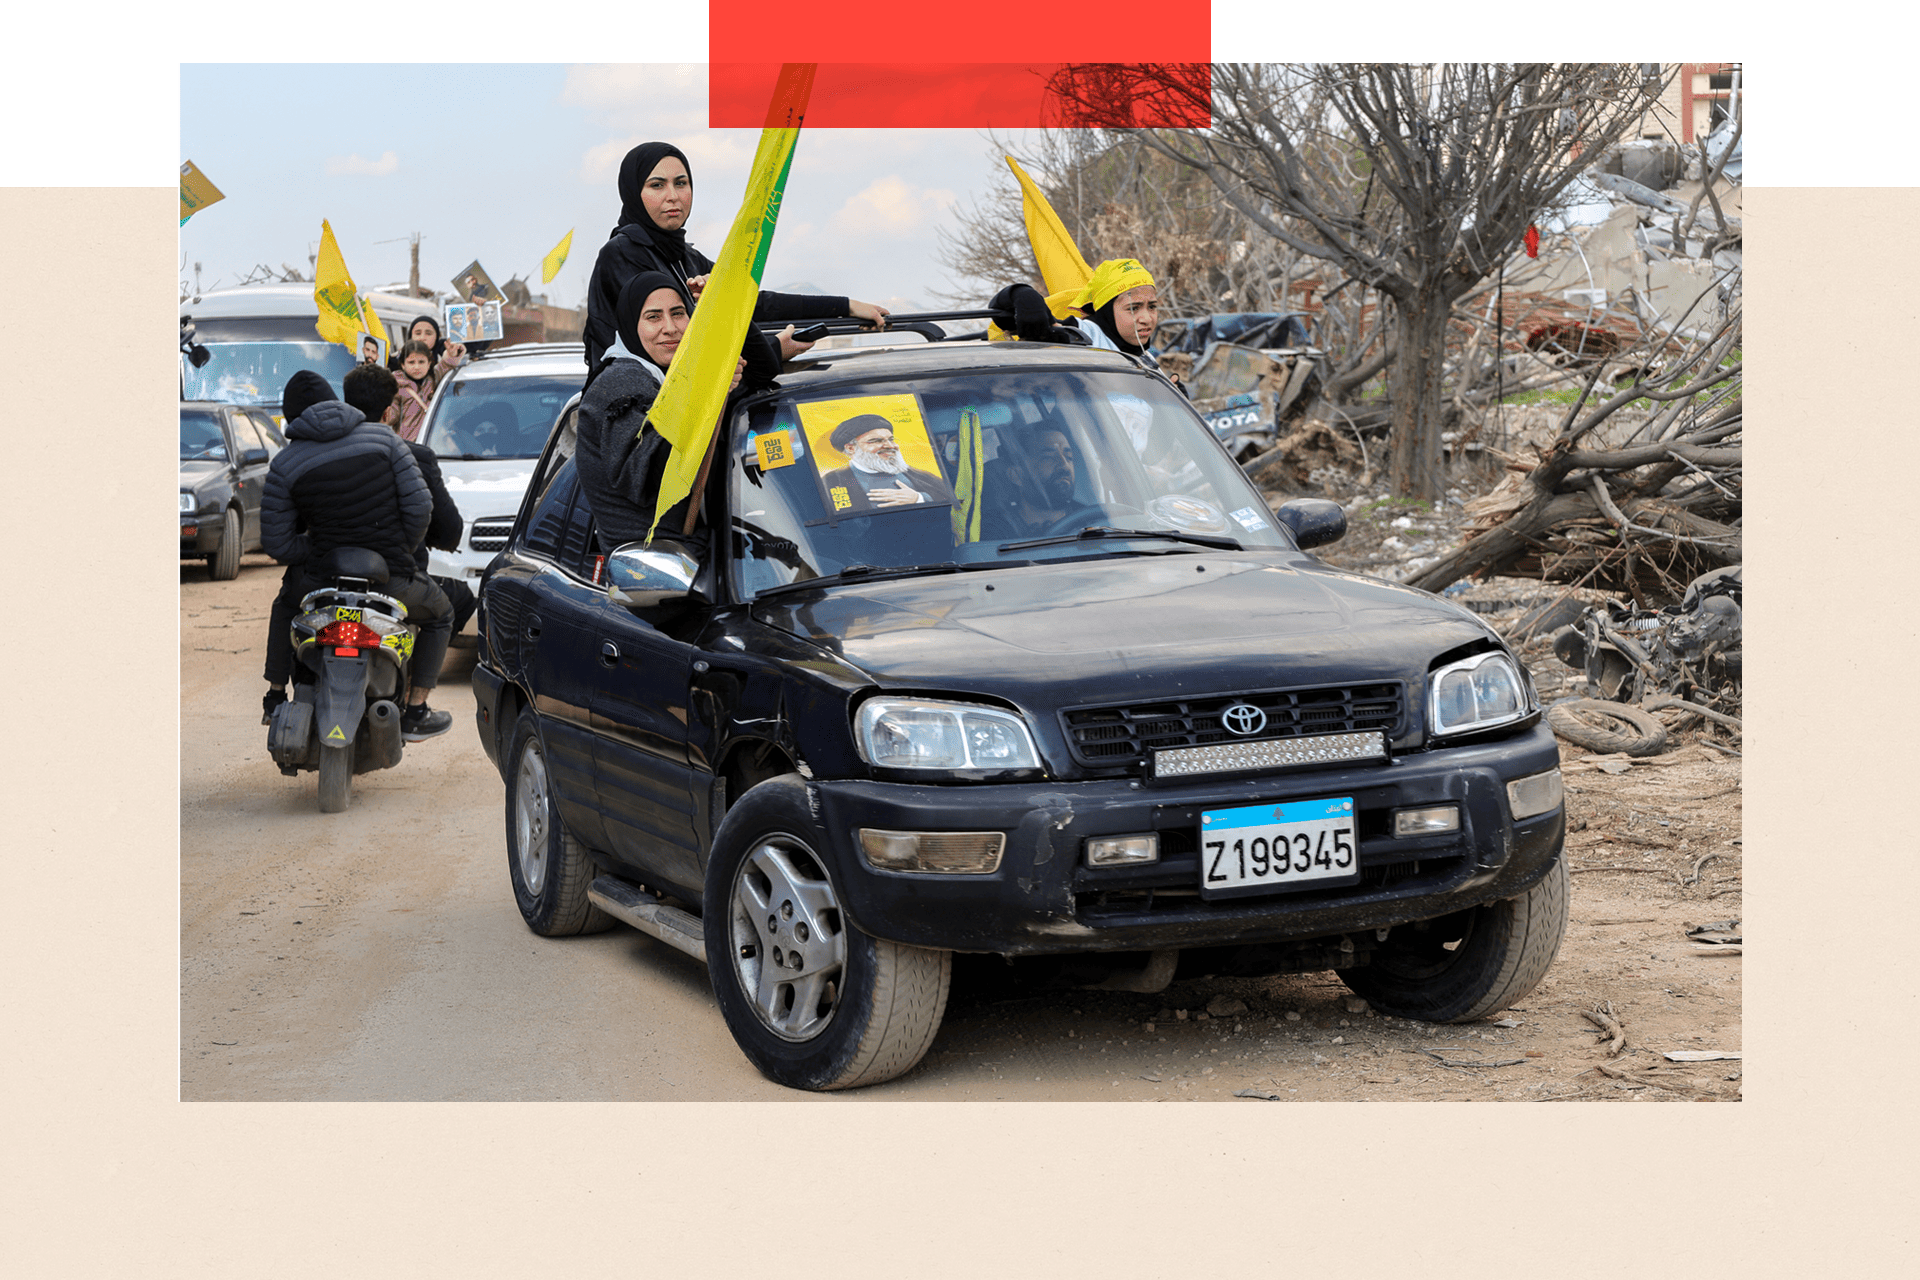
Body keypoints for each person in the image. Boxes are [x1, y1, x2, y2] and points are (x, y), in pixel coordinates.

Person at [257, 369, 455, 741]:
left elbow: (278, 544)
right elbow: (420, 509)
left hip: (319, 579)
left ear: (290, 416)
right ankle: (415, 710)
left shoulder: (285, 463)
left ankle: (273, 697)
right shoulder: (385, 440)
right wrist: (401, 548)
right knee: (441, 613)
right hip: (391, 576)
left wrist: (317, 548)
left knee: (284, 606)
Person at [582, 141, 893, 368]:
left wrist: (847, 306)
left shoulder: (686, 257)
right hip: (639, 421)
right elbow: (668, 348)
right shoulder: (622, 255)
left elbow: (751, 301)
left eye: (681, 183)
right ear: (633, 192)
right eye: (657, 185)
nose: (673, 196)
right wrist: (771, 348)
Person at [575, 271, 778, 552]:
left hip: (708, 551)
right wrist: (703, 393)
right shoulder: (620, 383)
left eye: (678, 313)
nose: (670, 328)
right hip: (656, 567)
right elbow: (652, 474)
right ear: (630, 323)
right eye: (653, 317)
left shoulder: (674, 377)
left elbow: (764, 372)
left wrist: (722, 307)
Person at [342, 363, 478, 637]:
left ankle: (276, 680)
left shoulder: (322, 453)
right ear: (389, 412)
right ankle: (420, 680)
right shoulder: (416, 457)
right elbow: (445, 528)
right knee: (450, 606)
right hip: (397, 578)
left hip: (329, 574)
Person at [817, 414, 954, 513]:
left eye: (891, 439)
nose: (890, 446)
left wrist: (918, 498)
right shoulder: (833, 481)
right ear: (851, 448)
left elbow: (954, 503)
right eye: (877, 441)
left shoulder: (921, 476)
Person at [981, 425, 1078, 539]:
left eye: (1069, 457)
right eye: (1048, 458)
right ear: (1016, 475)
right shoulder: (994, 533)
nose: (1065, 465)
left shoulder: (1093, 519)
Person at [389, 339, 453, 443]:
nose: (417, 367)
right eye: (411, 362)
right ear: (402, 365)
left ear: (429, 363)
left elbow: (448, 364)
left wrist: (453, 353)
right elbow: (391, 417)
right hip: (409, 446)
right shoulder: (396, 387)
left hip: (434, 444)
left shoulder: (434, 378)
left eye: (421, 362)